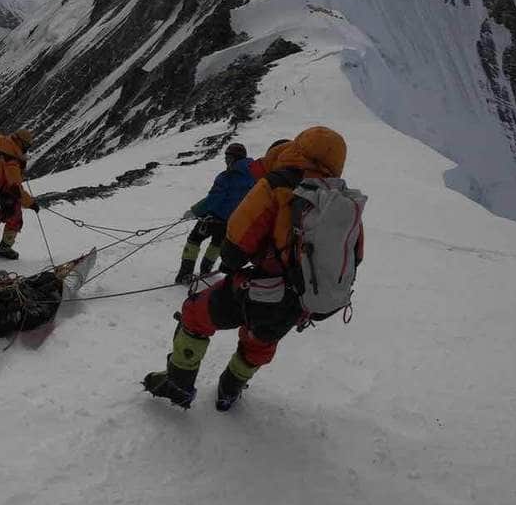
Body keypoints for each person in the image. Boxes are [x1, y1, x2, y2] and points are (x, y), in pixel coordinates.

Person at [144, 126, 362, 412]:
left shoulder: (278, 184)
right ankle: (228, 392)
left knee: (196, 314)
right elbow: (354, 258)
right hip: (303, 302)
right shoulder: (344, 203)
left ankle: (179, 383)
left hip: (257, 290)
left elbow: (234, 246)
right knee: (260, 342)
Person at [176, 142, 255, 284]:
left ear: (234, 159)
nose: (226, 160)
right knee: (217, 244)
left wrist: (194, 211)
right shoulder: (254, 175)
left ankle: (185, 274)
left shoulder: (227, 176)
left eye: (228, 157)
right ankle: (206, 271)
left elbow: (214, 199)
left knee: (194, 240)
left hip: (213, 217)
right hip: (232, 220)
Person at [0, 129, 42, 260]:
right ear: (20, 142)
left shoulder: (1, 146)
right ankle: (4, 248)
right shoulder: (11, 160)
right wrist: (31, 203)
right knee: (15, 220)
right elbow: (15, 188)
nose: (26, 149)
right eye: (27, 145)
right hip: (7, 194)